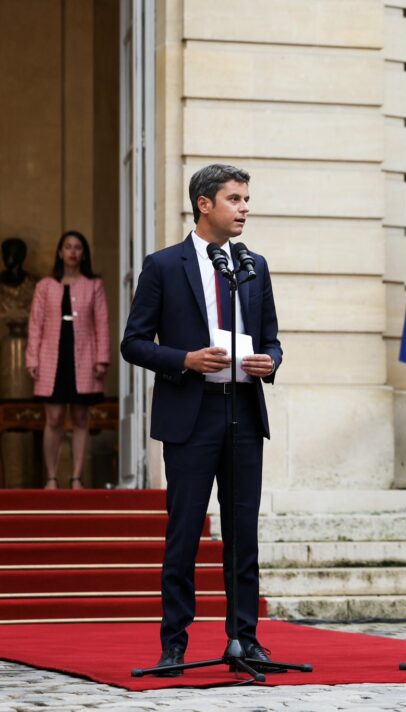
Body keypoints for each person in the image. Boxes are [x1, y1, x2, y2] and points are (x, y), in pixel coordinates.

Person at [121, 164, 282, 674]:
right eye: (235, 199)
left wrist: (270, 362)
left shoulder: (254, 264)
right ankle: (174, 642)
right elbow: (134, 343)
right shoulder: (164, 266)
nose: (244, 208)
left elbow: (272, 338)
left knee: (243, 532)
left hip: (243, 410)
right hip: (191, 414)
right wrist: (185, 360)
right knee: (185, 530)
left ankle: (245, 639)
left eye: (247, 199)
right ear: (204, 204)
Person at [26, 231, 109, 489]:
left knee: (81, 418)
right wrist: (32, 359)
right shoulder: (44, 286)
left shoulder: (94, 285)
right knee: (53, 419)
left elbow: (102, 324)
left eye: (77, 248)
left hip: (84, 357)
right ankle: (51, 477)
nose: (72, 252)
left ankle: (75, 478)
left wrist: (101, 359)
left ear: (83, 253)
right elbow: (35, 324)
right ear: (60, 252)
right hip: (52, 357)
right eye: (68, 247)